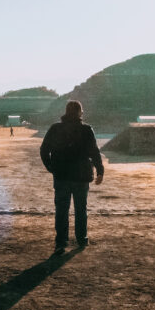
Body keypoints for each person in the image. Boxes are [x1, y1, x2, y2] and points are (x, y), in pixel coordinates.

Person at [39, 100, 104, 254]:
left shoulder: (55, 128)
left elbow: (44, 150)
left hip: (61, 175)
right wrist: (100, 171)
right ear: (80, 112)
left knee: (61, 210)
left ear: (66, 112)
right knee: (81, 209)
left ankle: (61, 243)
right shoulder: (87, 130)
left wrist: (51, 167)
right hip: (81, 177)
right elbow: (94, 152)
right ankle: (82, 239)